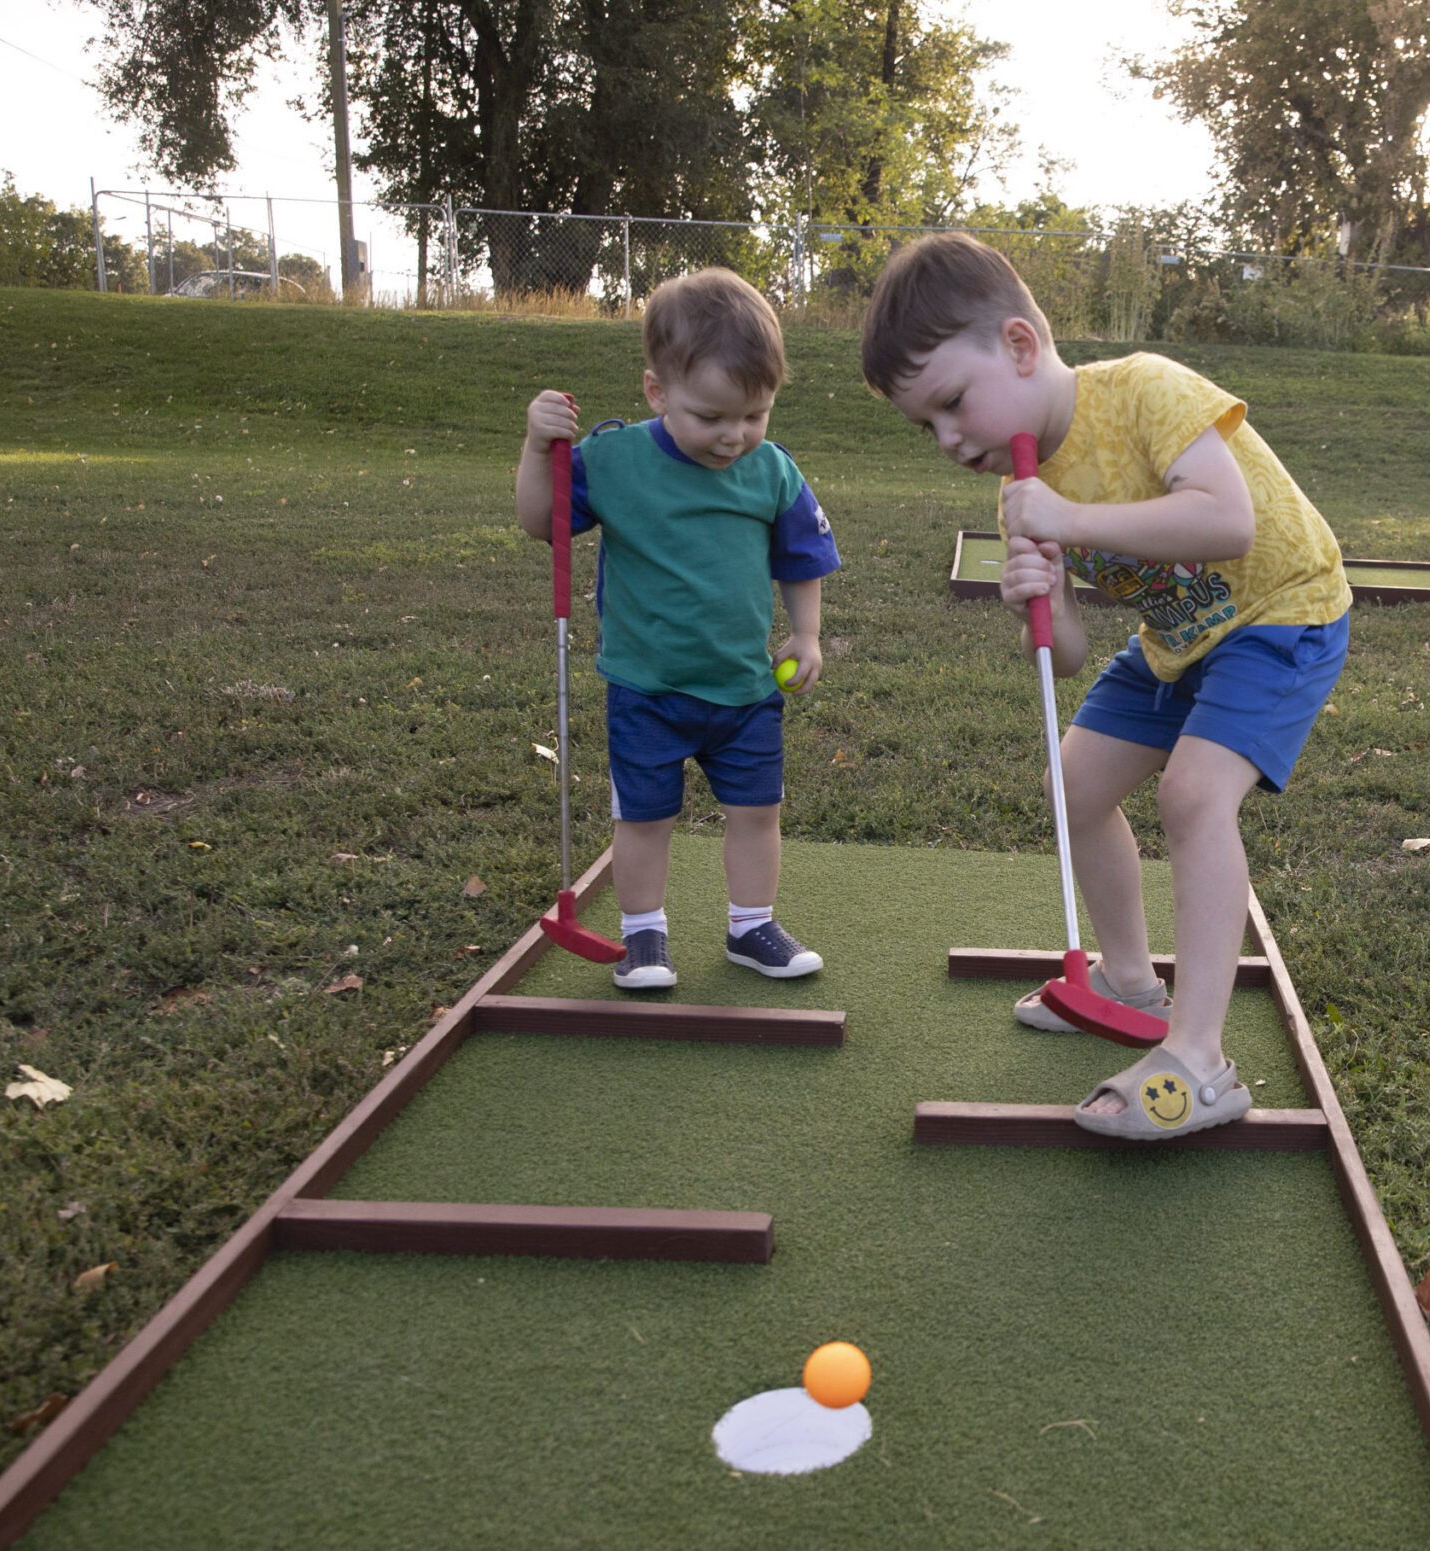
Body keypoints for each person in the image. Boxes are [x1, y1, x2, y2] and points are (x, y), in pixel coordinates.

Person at [860, 233, 1350, 1140]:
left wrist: (1070, 519)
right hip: (1179, 639)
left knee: (1194, 794)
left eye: (953, 403)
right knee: (1073, 787)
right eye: (926, 426)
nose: (948, 438)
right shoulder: (1022, 490)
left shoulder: (1145, 389)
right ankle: (1129, 983)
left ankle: (1200, 1059)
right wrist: (1037, 604)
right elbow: (1070, 655)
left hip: (1283, 611)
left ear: (1018, 345)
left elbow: (1228, 521)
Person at [515, 267, 838, 991]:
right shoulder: (614, 459)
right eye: (712, 416)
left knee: (757, 811)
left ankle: (752, 926)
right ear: (657, 392)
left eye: (754, 415)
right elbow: (542, 523)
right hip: (647, 689)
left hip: (745, 688)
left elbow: (801, 557)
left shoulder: (771, 471)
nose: (734, 436)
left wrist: (807, 634)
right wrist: (538, 450)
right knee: (645, 820)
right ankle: (642, 936)